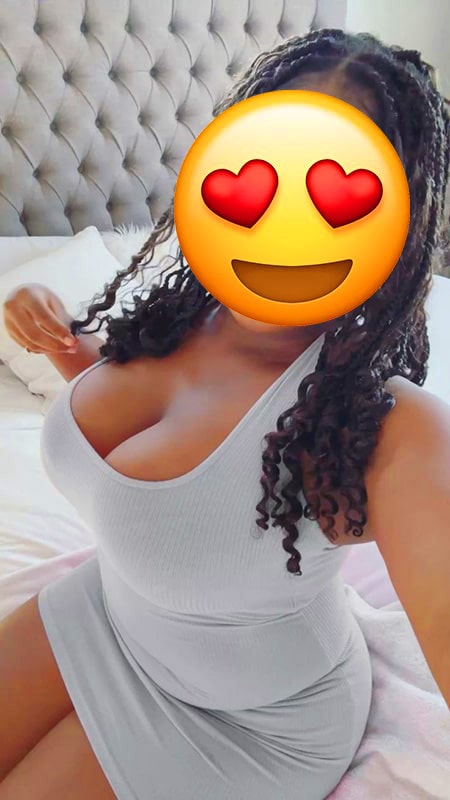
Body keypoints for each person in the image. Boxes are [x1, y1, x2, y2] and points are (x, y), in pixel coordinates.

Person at [1, 27, 449, 800]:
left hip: (248, 724)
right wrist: (64, 342)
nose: (285, 217)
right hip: (107, 613)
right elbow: (144, 412)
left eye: (334, 184)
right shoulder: (179, 318)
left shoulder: (386, 425)